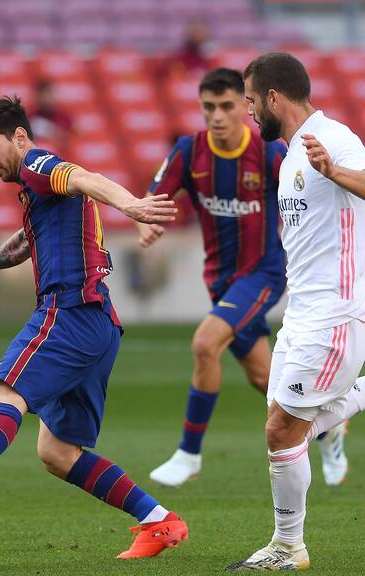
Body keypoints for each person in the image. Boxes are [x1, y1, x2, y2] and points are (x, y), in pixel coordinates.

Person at [0, 96, 188, 559]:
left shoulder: (38, 164)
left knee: (4, 394)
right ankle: (160, 522)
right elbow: (29, 239)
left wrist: (130, 205)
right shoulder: (35, 188)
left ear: (21, 136)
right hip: (99, 323)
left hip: (67, 311)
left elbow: (84, 177)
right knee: (57, 452)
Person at [141, 68, 350, 489]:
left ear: (244, 106)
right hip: (220, 281)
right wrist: (146, 219)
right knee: (265, 381)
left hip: (263, 274)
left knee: (204, 343)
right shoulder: (189, 151)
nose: (217, 116)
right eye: (208, 107)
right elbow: (154, 196)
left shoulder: (269, 154)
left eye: (227, 106)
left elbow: (308, 195)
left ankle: (188, 453)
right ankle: (330, 431)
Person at [227, 52, 365, 571]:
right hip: (301, 314)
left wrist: (335, 169)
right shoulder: (289, 157)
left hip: (335, 312)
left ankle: (289, 546)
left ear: (273, 98)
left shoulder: (332, 138)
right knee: (283, 424)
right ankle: (287, 545)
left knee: (283, 428)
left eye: (249, 101)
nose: (247, 112)